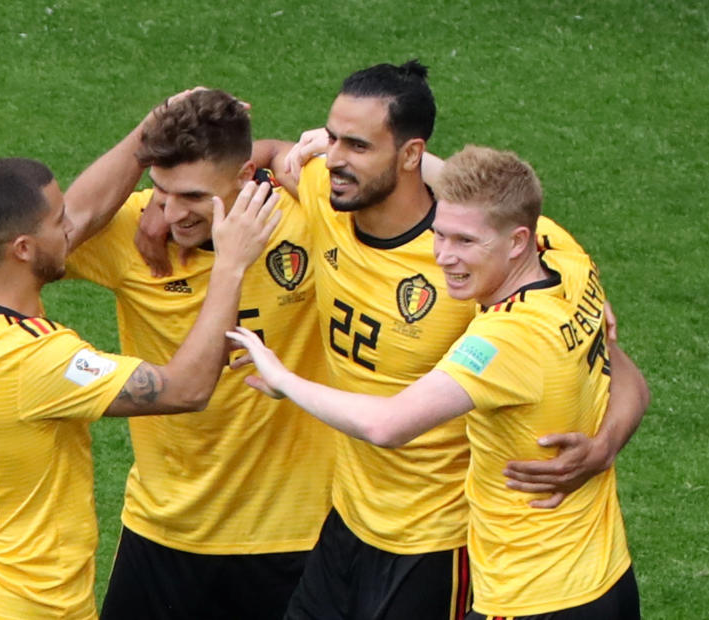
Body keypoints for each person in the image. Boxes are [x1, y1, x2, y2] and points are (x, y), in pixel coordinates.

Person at [0, 89, 335, 619]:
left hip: (290, 530)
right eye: (161, 191)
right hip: (161, 532)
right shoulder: (49, 344)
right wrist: (228, 258)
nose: (172, 210)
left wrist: (285, 153)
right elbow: (184, 388)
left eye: (191, 196)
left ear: (243, 176)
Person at [248, 61, 648, 619]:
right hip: (349, 519)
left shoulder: (501, 281)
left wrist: (604, 446)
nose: (334, 158)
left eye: (358, 145)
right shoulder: (328, 190)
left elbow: (389, 423)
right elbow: (269, 154)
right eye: (332, 138)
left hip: (439, 543)